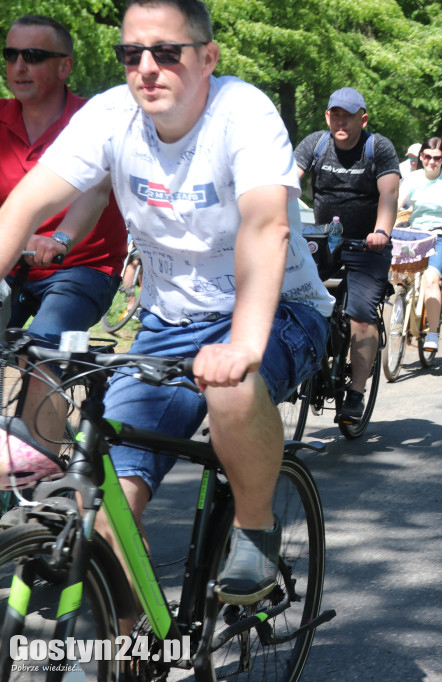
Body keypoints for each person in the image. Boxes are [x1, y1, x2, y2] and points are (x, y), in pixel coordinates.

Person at [0, 0, 334, 606]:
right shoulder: (110, 116)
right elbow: (21, 208)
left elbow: (265, 226)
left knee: (232, 383)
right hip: (168, 321)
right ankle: (130, 650)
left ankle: (254, 526)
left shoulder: (242, 112)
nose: (146, 68)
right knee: (101, 500)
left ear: (207, 57)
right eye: (132, 54)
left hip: (278, 311)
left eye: (166, 52)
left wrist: (243, 345)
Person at [2, 14, 129, 449]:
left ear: (64, 67)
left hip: (82, 268)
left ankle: (34, 485)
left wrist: (59, 240)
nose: (19, 66)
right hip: (12, 265)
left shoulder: (90, 121)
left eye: (34, 56)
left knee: (42, 351)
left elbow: (92, 193)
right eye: (11, 54)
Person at [294, 86, 400, 420]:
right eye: (335, 114)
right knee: (290, 298)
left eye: (349, 115)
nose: (341, 121)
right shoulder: (315, 144)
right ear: (327, 116)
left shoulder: (378, 147)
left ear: (362, 118)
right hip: (323, 242)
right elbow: (287, 184)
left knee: (360, 315)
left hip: (367, 246)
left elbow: (389, 194)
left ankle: (355, 392)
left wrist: (381, 231)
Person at [397, 137, 442, 352]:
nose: (431, 162)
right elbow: (396, 205)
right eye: (427, 157)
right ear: (420, 157)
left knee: (430, 279)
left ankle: (434, 332)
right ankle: (402, 310)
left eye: (436, 158)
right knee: (397, 274)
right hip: (416, 235)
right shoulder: (412, 178)